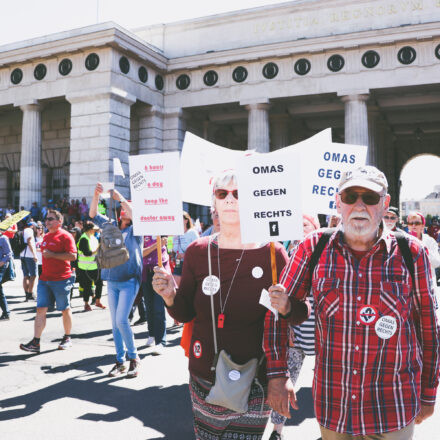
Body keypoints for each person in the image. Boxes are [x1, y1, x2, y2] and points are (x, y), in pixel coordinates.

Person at [269, 166, 440, 439]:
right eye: (350, 196)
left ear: (384, 204)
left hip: (393, 405)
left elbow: (430, 328)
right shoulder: (313, 247)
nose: (359, 205)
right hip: (334, 407)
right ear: (338, 202)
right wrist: (277, 375)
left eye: (370, 198)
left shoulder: (412, 253)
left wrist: (429, 392)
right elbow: (275, 311)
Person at [152, 170, 307, 440]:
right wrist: (169, 296)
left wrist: (287, 306)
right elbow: (185, 311)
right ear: (214, 202)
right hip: (204, 375)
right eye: (222, 193)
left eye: (239, 193)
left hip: (257, 376)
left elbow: (300, 313)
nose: (230, 199)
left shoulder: (273, 252)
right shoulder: (198, 251)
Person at [269, 214, 320, 440]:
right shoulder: (288, 253)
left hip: (323, 333)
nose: (301, 229)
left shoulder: (327, 252)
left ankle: (328, 431)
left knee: (326, 387)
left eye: (305, 224)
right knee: (287, 381)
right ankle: (276, 431)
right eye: (297, 225)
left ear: (315, 228)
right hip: (296, 332)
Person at [89, 183, 143, 378]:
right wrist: (96, 196)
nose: (124, 210)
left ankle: (134, 358)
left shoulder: (137, 229)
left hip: (129, 280)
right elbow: (93, 215)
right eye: (122, 208)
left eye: (126, 208)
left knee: (122, 320)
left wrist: (120, 196)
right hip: (112, 280)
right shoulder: (109, 225)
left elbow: (136, 215)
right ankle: (119, 361)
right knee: (115, 323)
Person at [19, 210, 77, 353]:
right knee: (40, 310)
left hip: (62, 279)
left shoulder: (66, 236)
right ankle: (36, 342)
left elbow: (73, 256)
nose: (47, 221)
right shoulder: (46, 236)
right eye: (46, 219)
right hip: (45, 279)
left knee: (65, 309)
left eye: (51, 219)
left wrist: (53, 255)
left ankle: (67, 337)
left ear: (59, 221)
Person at [141, 235, 170, 354]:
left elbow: (165, 247)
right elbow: (142, 253)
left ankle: (161, 342)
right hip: (145, 273)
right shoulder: (141, 232)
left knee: (158, 308)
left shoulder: (161, 231)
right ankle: (151, 334)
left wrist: (162, 242)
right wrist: (157, 244)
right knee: (148, 306)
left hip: (159, 272)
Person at [407, 211, 440, 299]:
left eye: (417, 223)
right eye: (410, 223)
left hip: (427, 284)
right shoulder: (402, 240)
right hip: (409, 285)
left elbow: (436, 263)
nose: (413, 226)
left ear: (422, 225)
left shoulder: (430, 241)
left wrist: (421, 247)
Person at [76, 221, 105, 311]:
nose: (95, 230)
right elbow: (87, 253)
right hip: (85, 267)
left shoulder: (93, 238)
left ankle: (97, 301)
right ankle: (86, 304)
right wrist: (98, 249)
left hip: (95, 266)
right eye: (94, 229)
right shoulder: (83, 239)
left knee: (99, 284)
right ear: (90, 229)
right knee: (87, 286)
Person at [172, 211, 199, 285]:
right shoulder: (174, 234)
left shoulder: (192, 233)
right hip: (177, 263)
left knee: (188, 285)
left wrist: (185, 255)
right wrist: (169, 238)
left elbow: (199, 249)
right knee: (176, 286)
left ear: (186, 220)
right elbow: (169, 250)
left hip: (190, 263)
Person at [20, 221, 38, 301]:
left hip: (22, 254)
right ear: (32, 226)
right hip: (29, 255)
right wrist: (34, 255)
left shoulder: (23, 230)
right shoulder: (29, 231)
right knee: (33, 275)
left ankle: (27, 294)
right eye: (35, 227)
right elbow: (29, 242)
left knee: (26, 276)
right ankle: (30, 293)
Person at [0, 232, 13, 320]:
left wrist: (2, 262)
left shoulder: (3, 238)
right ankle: (6, 312)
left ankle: (6, 312)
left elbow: (9, 253)